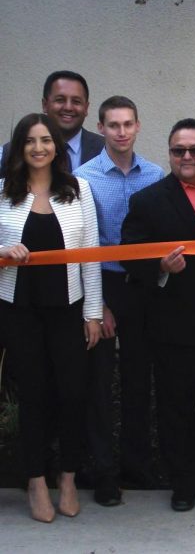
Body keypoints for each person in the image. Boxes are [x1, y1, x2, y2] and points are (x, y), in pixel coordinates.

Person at [120, 119, 195, 512]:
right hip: (177, 321)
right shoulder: (149, 201)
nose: (186, 157)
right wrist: (160, 267)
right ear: (170, 154)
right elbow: (131, 257)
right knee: (177, 404)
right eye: (178, 150)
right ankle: (185, 481)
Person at [0, 113, 102, 522]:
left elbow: (92, 256)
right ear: (19, 147)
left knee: (74, 394)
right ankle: (36, 481)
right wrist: (7, 249)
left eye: (46, 140)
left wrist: (93, 313)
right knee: (34, 396)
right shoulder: (3, 193)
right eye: (30, 140)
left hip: (67, 309)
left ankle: (68, 477)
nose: (38, 147)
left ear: (57, 147)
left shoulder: (79, 190)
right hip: (19, 310)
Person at [74, 96, 165, 505]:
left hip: (143, 289)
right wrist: (98, 305)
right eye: (113, 125)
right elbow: (80, 247)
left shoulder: (156, 175)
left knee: (137, 379)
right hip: (103, 286)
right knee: (98, 382)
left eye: (128, 124)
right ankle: (103, 470)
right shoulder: (84, 178)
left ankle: (137, 465)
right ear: (101, 127)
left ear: (138, 126)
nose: (122, 132)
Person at [1, 71, 104, 175]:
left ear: (86, 108)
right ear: (45, 105)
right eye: (60, 100)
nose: (68, 107)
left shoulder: (106, 150)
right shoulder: (11, 152)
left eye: (76, 101)